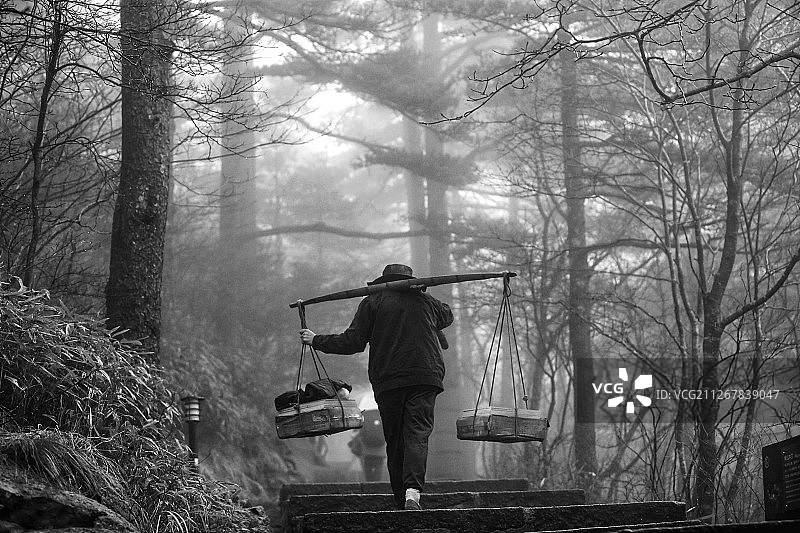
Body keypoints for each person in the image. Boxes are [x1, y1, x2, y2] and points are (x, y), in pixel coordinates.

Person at [299, 264, 453, 510]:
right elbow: (448, 315)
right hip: (425, 377)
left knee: (395, 439)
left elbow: (353, 341)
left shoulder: (373, 302)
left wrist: (316, 340)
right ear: (410, 281)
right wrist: (423, 295)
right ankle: (412, 492)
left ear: (383, 281)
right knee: (417, 433)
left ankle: (399, 498)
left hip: (389, 379)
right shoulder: (427, 301)